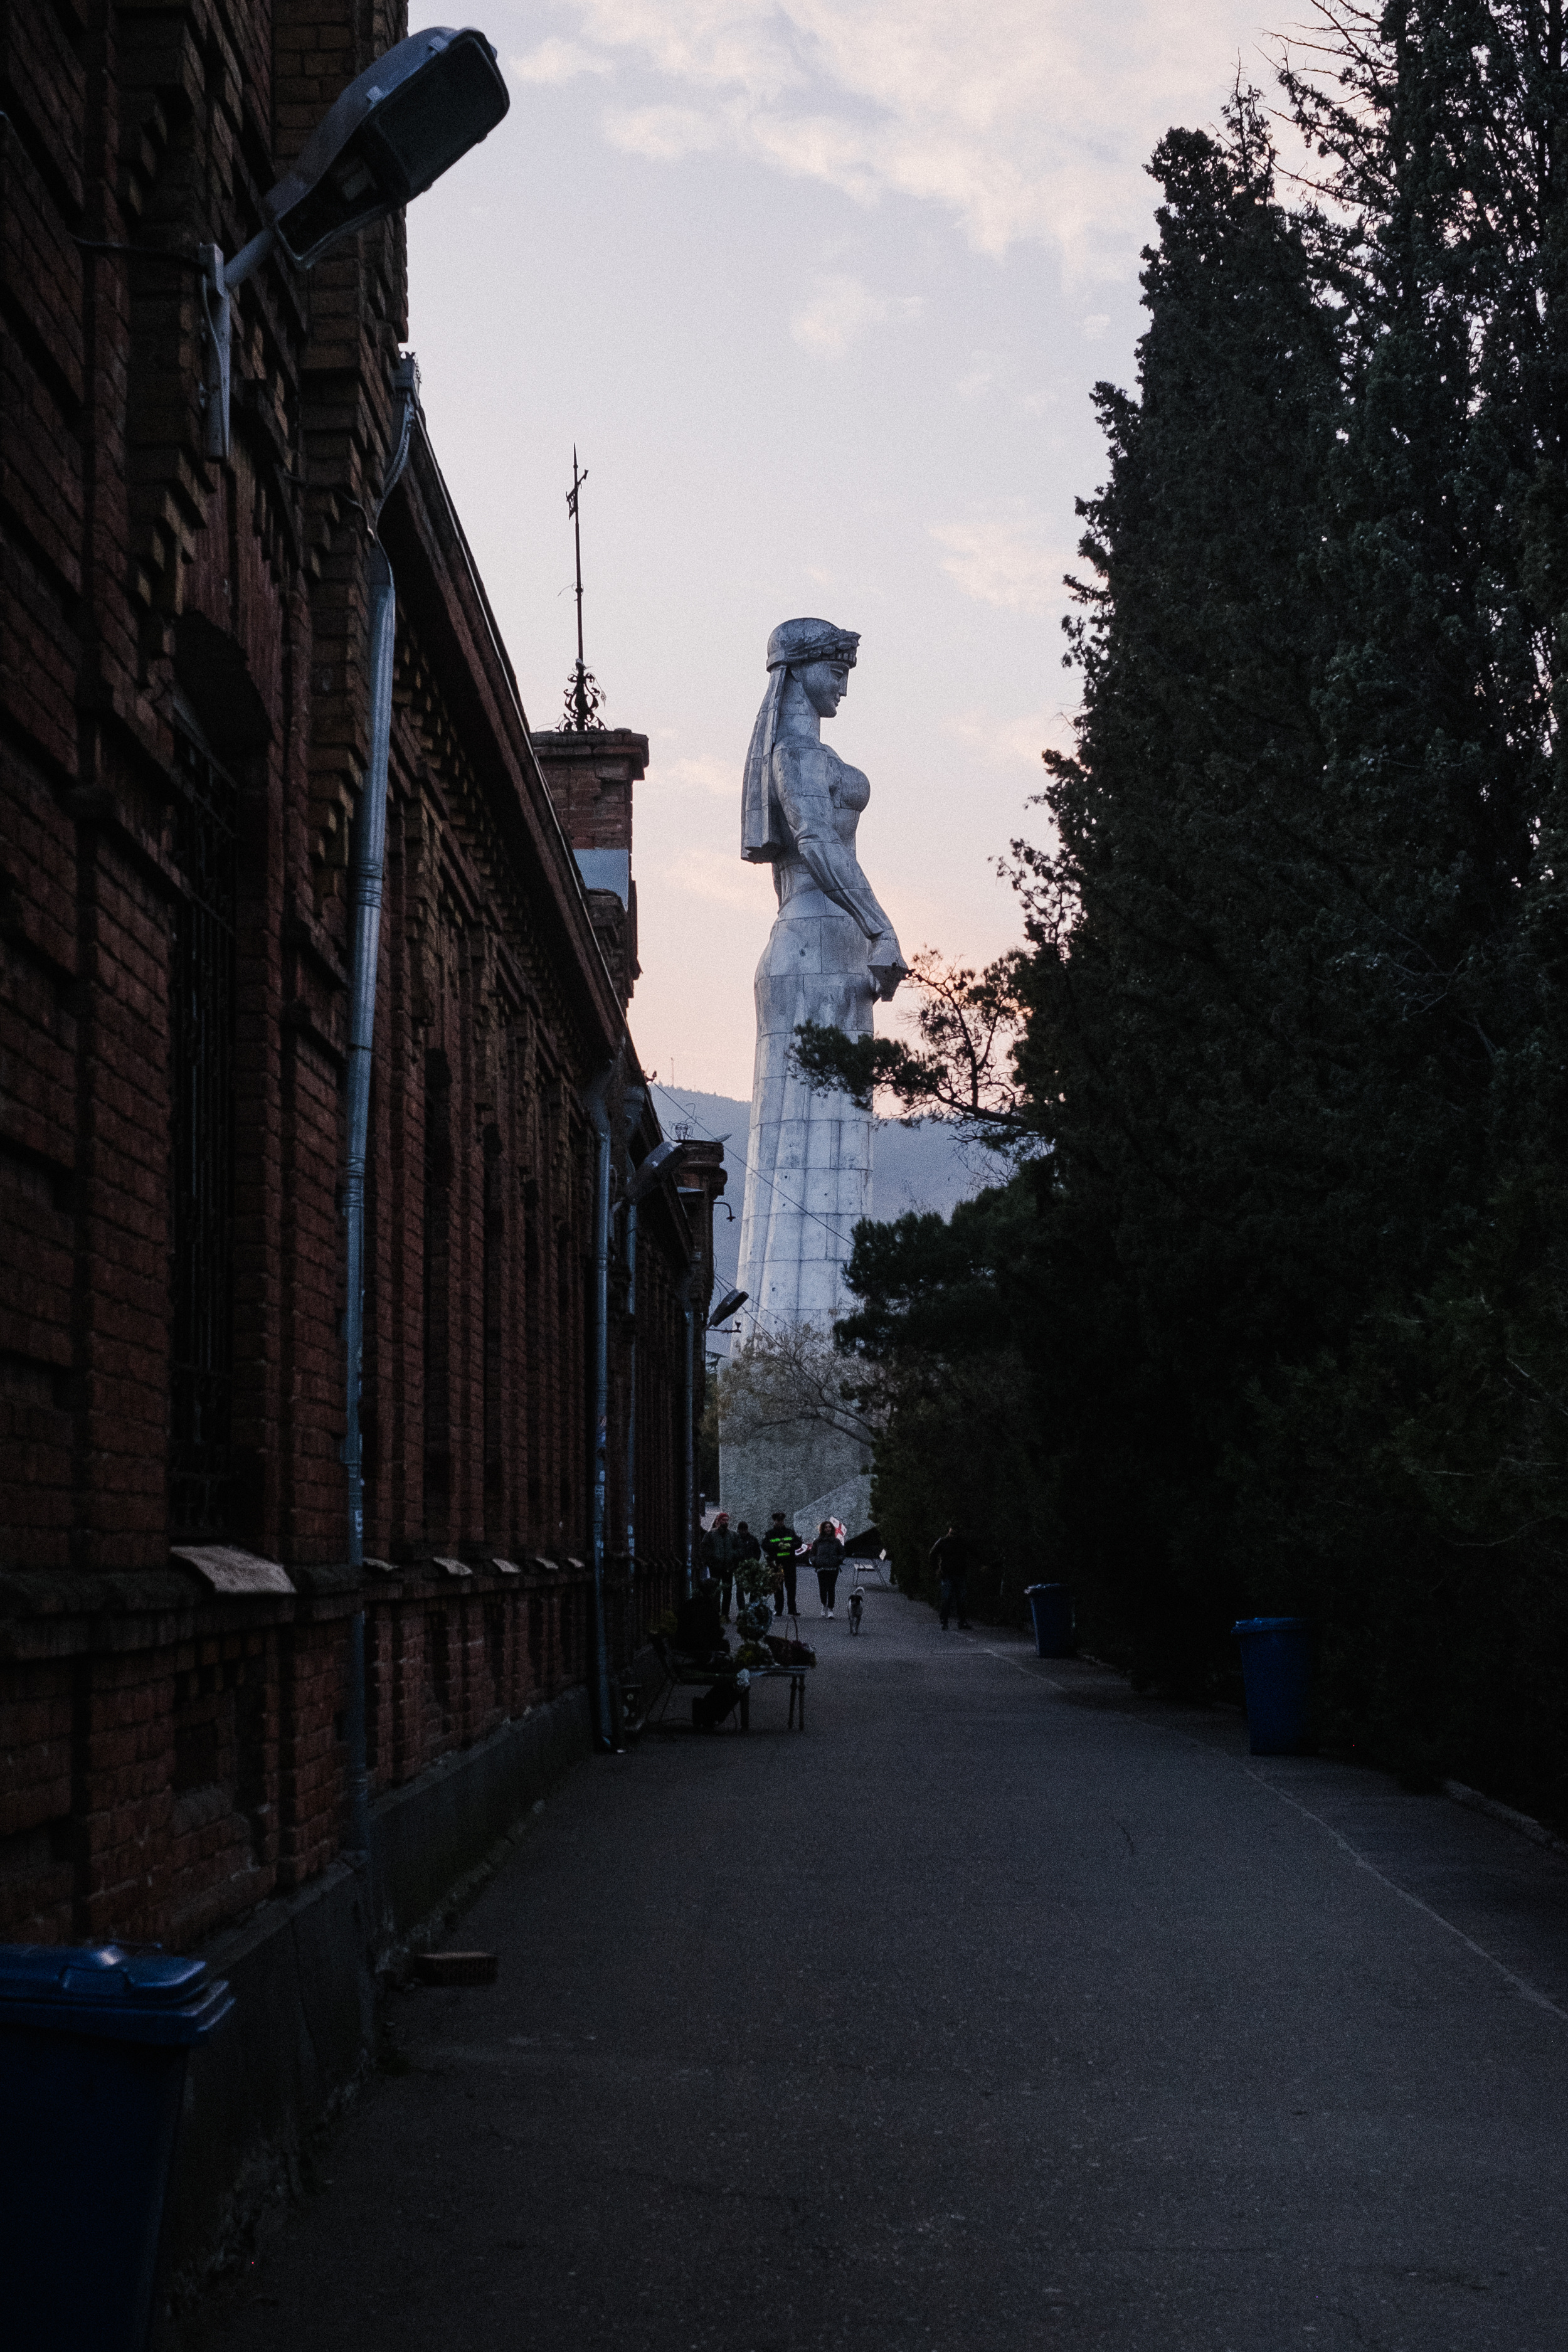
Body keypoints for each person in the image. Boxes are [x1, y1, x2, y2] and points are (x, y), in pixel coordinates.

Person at [674, 1575, 740, 1731]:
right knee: (739, 1676)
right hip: (697, 1659)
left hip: (689, 1656)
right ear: (713, 1594)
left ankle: (707, 1710)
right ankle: (708, 1712)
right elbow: (707, 1637)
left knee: (733, 1670)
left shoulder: (691, 1605)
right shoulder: (706, 1609)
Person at [699, 1512, 744, 1621]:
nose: (725, 1522)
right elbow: (704, 1549)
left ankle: (725, 1614)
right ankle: (716, 1613)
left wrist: (732, 1556)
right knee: (715, 1591)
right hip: (715, 1567)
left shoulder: (733, 1535)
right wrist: (713, 1558)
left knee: (727, 1591)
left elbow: (740, 1550)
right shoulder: (711, 1535)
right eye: (723, 1520)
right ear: (718, 1521)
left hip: (728, 1567)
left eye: (727, 1520)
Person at [930, 1525, 971, 1630]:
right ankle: (945, 1621)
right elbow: (932, 1554)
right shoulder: (944, 1541)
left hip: (958, 1573)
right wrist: (936, 1569)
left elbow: (974, 1552)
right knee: (947, 1598)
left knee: (960, 1599)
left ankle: (960, 1621)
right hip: (947, 1574)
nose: (952, 1536)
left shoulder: (962, 1542)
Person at [761, 1512, 800, 1619]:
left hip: (790, 1563)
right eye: (778, 1521)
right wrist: (776, 1546)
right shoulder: (770, 1534)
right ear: (774, 1521)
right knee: (778, 1588)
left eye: (781, 1521)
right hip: (777, 1564)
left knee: (791, 1587)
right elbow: (764, 1545)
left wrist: (790, 1545)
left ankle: (792, 1609)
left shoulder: (789, 1532)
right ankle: (779, 1610)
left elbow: (799, 1543)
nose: (780, 1523)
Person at [811, 1520, 845, 1617]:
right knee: (822, 1588)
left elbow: (842, 1553)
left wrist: (837, 1560)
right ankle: (824, 1605)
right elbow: (812, 1554)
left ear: (832, 1529)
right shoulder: (818, 1542)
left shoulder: (836, 1542)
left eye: (830, 1527)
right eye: (826, 1527)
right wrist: (815, 1561)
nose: (828, 1529)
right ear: (823, 1529)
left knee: (831, 1588)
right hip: (821, 1568)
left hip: (833, 1568)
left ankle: (831, 1609)